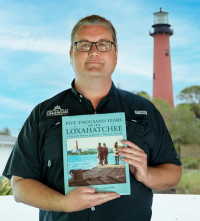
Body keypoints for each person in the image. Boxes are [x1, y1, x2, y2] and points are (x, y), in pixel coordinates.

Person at [3, 15, 182, 221]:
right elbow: (20, 185)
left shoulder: (145, 111)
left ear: (115, 54)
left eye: (103, 44)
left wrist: (147, 174)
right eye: (84, 45)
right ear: (71, 54)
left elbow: (173, 174)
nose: (94, 51)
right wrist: (63, 203)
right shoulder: (42, 115)